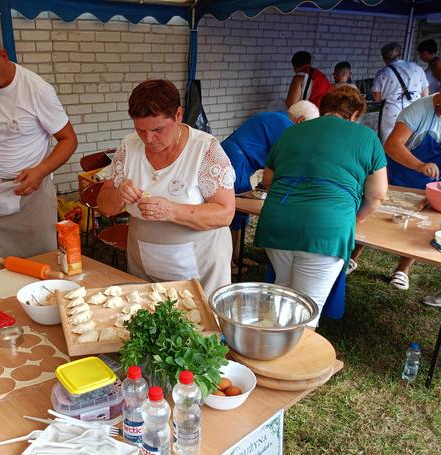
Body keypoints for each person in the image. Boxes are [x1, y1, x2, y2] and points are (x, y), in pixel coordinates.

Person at [254, 86, 388, 327]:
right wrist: (352, 219)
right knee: (306, 311)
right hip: (326, 227)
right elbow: (377, 194)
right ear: (355, 114)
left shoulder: (292, 132)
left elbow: (268, 180)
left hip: (277, 222)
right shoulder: (367, 137)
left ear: (323, 108)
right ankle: (294, 360)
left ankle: (266, 349)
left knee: (282, 293)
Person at [0, 29, 78, 271]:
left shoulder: (36, 90)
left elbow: (68, 139)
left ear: (3, 55)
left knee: (40, 267)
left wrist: (41, 170)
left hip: (32, 192)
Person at [97, 79, 236, 295]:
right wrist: (119, 194)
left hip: (200, 263)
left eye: (157, 129)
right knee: (148, 316)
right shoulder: (129, 146)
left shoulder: (205, 149)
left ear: (178, 115)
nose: (148, 139)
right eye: (140, 130)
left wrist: (171, 210)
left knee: (199, 321)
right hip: (144, 257)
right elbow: (105, 206)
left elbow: (225, 213)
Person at [348, 92, 441, 290]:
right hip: (399, 171)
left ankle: (402, 270)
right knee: (373, 212)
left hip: (431, 182)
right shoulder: (419, 110)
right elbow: (392, 145)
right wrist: (419, 165)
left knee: (419, 225)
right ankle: (352, 257)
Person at [221, 101, 320, 272]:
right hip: (235, 159)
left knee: (240, 214)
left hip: (235, 156)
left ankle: (236, 255)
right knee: (234, 212)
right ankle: (228, 263)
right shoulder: (287, 128)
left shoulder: (276, 117)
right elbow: (286, 161)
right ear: (301, 120)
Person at [373, 42, 429, 143]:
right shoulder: (417, 68)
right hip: (414, 112)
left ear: (384, 58)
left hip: (391, 113)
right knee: (410, 143)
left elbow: (377, 98)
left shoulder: (383, 73)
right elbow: (425, 95)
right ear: (399, 54)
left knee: (388, 143)